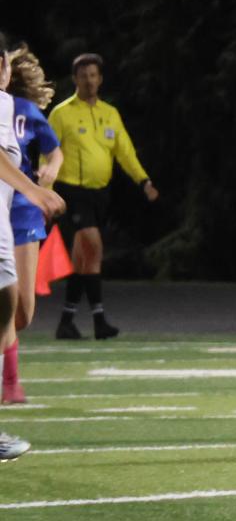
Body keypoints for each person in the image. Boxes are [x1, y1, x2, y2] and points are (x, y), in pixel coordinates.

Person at [49, 52, 157, 340]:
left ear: (100, 79)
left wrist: (143, 180)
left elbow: (125, 152)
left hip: (100, 194)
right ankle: (99, 320)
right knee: (93, 247)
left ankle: (68, 321)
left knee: (83, 259)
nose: (89, 80)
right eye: (84, 75)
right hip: (72, 190)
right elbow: (49, 152)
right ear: (75, 79)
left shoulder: (110, 113)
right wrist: (43, 191)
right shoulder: (62, 113)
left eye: (94, 75)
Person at [1, 35, 68, 459]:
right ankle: (10, 383)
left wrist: (46, 179)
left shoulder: (15, 109)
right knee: (5, 310)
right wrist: (37, 191)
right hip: (14, 206)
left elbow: (53, 152)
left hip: (15, 213)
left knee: (17, 312)